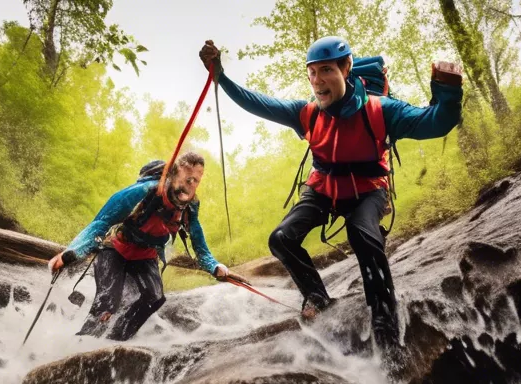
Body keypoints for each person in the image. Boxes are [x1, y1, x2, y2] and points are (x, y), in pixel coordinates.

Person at [199, 37, 463, 358]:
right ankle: (317, 298)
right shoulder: (307, 113)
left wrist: (447, 91)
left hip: (368, 190)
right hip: (323, 189)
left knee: (362, 235)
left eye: (325, 70)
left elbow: (436, 122)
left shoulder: (381, 110)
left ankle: (386, 330)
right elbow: (258, 102)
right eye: (311, 73)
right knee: (281, 238)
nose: (317, 81)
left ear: (346, 68)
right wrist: (221, 76)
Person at [48, 152, 246, 341]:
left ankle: (115, 341)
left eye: (196, 181)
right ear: (174, 174)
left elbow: (199, 244)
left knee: (154, 298)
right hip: (115, 249)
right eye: (187, 178)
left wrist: (214, 267)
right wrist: (71, 253)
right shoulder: (143, 191)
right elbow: (101, 222)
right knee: (108, 301)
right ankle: (81, 343)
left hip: (146, 256)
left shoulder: (190, 207)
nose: (191, 185)